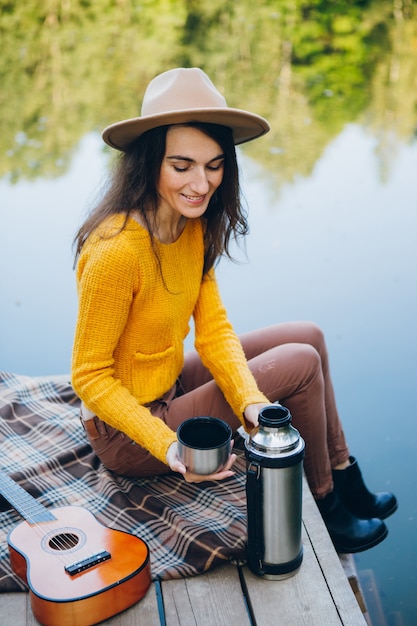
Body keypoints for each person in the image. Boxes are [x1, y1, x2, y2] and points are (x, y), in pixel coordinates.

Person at [71, 67, 397, 554]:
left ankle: (343, 473)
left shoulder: (191, 225)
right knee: (300, 365)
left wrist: (249, 401)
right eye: (182, 166)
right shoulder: (116, 251)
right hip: (128, 433)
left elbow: (215, 332)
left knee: (308, 335)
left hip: (169, 384)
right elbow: (90, 376)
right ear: (149, 161)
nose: (201, 183)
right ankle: (326, 506)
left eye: (215, 165)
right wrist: (166, 444)